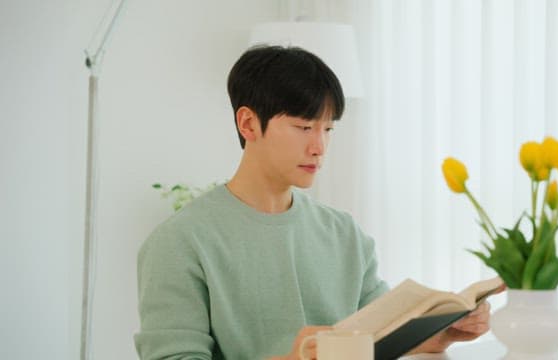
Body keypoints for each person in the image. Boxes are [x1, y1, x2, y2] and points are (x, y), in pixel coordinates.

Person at [134, 45, 492, 359]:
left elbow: (381, 334)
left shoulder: (344, 233)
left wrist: (442, 332)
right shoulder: (180, 242)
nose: (319, 146)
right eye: (304, 127)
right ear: (248, 123)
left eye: (328, 128)